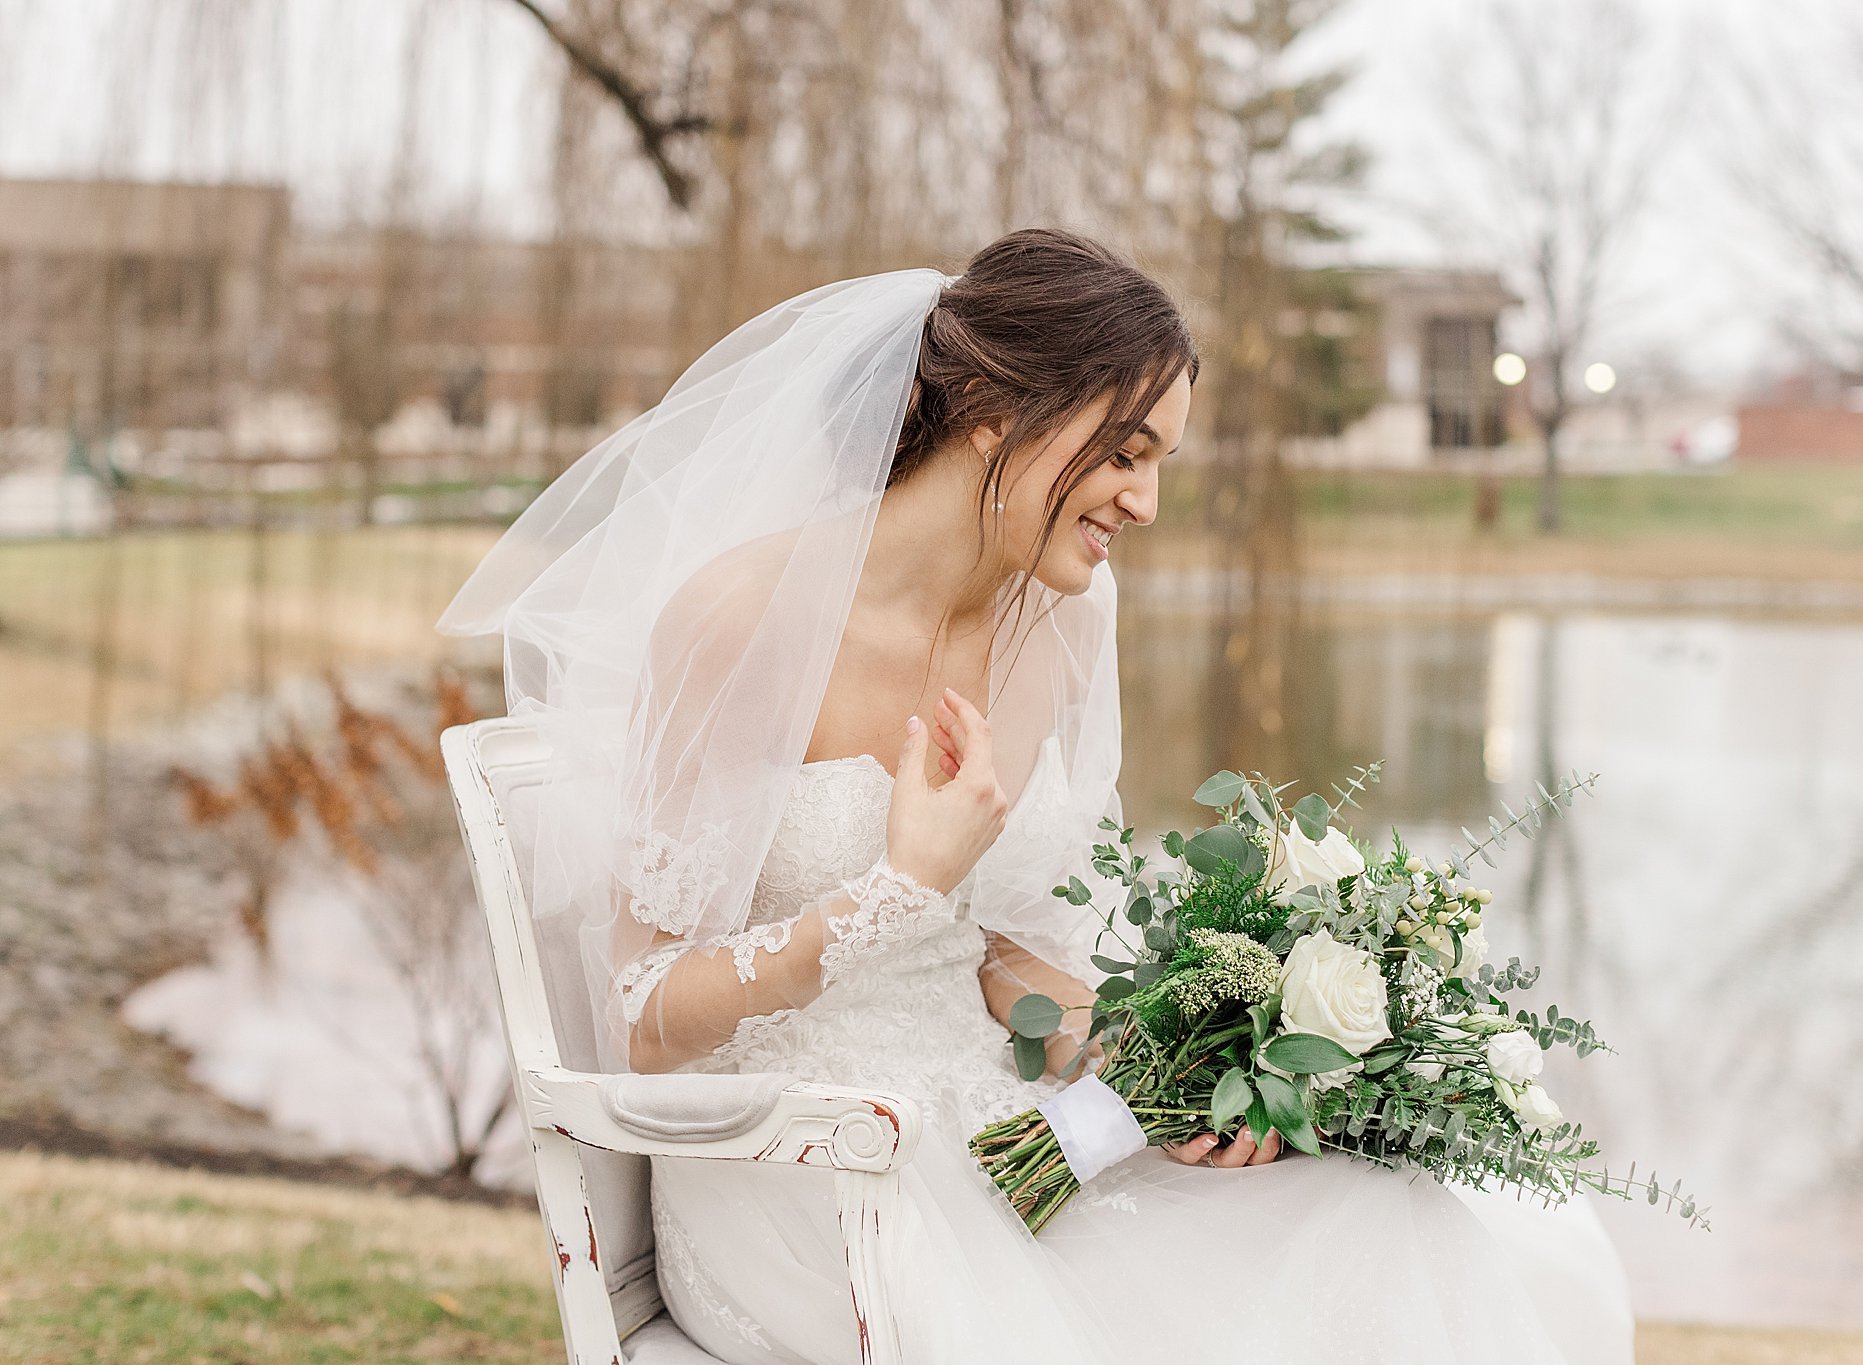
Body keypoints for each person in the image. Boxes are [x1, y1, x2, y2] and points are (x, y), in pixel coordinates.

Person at [442, 228, 1633, 1364]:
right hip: (803, 1178)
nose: (1144, 502)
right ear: (991, 413)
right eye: (1122, 451)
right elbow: (644, 1015)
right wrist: (891, 895)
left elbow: (1005, 955)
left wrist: (1161, 1063)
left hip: (1006, 1143)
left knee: (1393, 1223)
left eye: (1159, 461)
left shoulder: (1053, 625)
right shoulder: (738, 620)